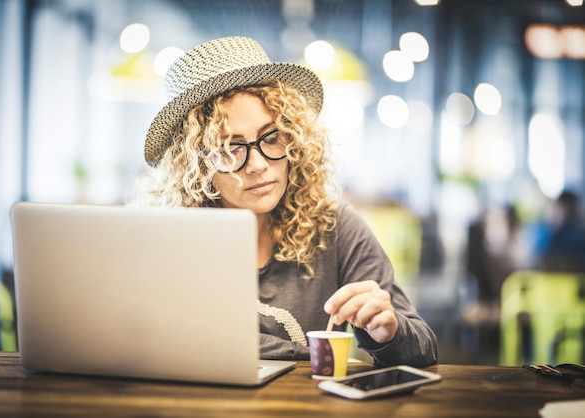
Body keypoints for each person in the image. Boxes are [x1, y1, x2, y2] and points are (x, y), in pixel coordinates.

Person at [131, 36, 437, 367]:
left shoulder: (333, 225)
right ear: (195, 164)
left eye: (272, 137)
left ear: (293, 137)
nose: (258, 164)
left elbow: (425, 349)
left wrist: (388, 333)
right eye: (230, 148)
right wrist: (305, 354)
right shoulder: (168, 238)